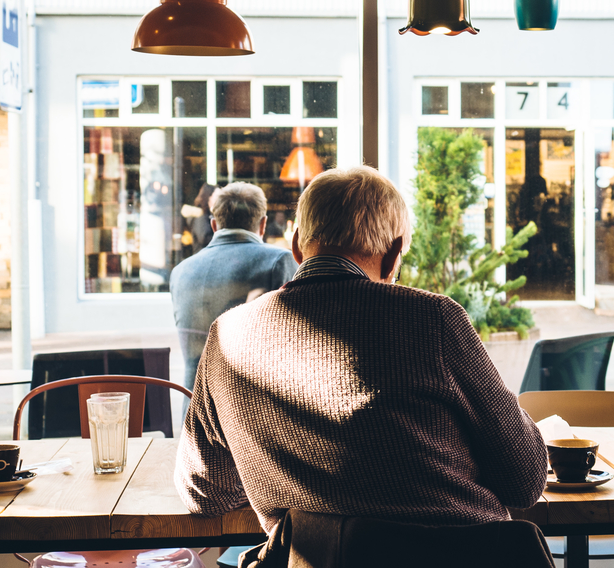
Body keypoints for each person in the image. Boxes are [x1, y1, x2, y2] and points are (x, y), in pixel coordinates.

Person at [175, 166, 547, 536]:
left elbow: (204, 493)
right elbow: (525, 480)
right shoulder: (434, 320)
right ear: (393, 255)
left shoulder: (227, 336)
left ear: (297, 246)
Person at [169, 182, 297, 394]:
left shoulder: (180, 271)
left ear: (214, 225)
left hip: (193, 413)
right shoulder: (278, 261)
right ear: (263, 224)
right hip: (251, 413)